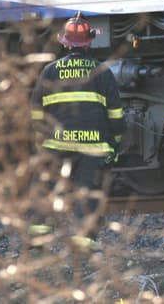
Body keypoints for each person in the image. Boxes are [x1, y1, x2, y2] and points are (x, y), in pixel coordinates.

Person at [29, 14, 124, 249]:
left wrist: (40, 142)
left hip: (56, 143)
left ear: (64, 43)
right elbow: (115, 114)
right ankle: (85, 240)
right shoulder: (102, 72)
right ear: (89, 43)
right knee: (88, 190)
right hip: (92, 145)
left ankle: (37, 235)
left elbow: (36, 113)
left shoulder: (49, 72)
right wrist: (115, 142)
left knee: (45, 185)